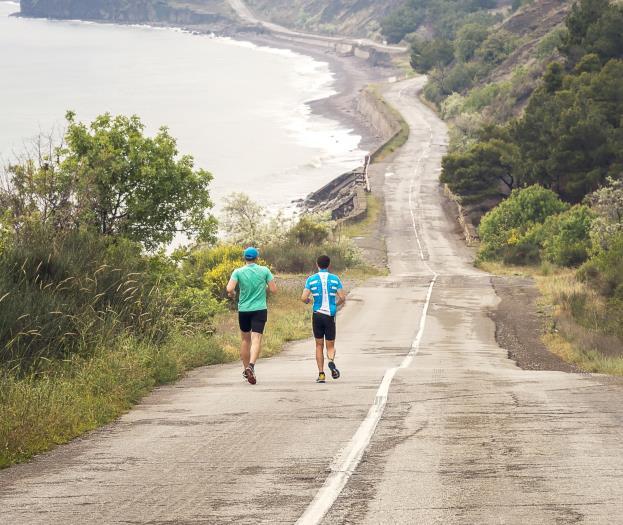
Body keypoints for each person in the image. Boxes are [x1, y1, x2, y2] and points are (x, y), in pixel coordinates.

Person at [226, 247, 276, 385]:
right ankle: (251, 366)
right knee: (256, 338)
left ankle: (245, 369)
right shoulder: (264, 270)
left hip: (244, 310)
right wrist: (262, 288)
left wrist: (232, 294)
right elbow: (273, 289)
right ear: (257, 258)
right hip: (259, 309)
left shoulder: (238, 271)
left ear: (244, 258)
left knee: (245, 340)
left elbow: (229, 289)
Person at [301, 255, 346, 383]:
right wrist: (335, 305)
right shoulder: (335, 279)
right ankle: (331, 362)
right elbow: (342, 297)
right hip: (330, 315)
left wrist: (310, 301)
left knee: (318, 345)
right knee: (330, 345)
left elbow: (303, 297)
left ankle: (321, 374)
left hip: (317, 314)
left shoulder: (311, 279)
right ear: (329, 264)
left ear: (317, 264)